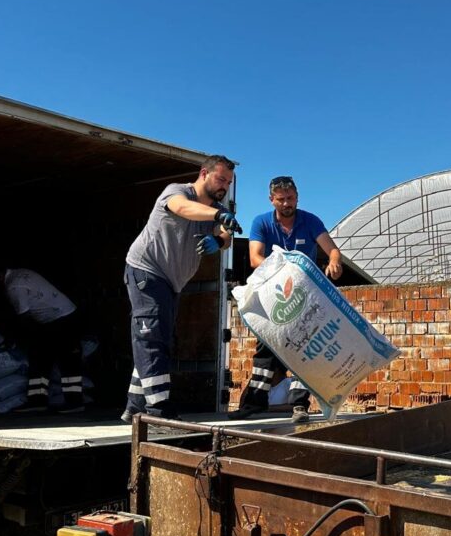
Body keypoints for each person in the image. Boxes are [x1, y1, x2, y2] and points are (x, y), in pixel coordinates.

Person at [122, 155, 238, 422]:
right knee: (151, 337)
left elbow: (226, 234)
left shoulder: (215, 208)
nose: (224, 186)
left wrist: (219, 241)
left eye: (229, 182)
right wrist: (218, 215)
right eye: (221, 179)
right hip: (146, 271)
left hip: (171, 283)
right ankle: (159, 411)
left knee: (158, 338)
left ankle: (135, 405)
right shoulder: (177, 191)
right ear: (204, 173)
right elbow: (183, 208)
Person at [230, 175, 343, 423]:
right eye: (281, 199)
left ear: (297, 198)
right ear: (272, 200)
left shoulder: (310, 221)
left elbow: (332, 250)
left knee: (307, 349)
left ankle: (299, 405)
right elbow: (255, 258)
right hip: (274, 296)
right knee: (266, 348)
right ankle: (255, 403)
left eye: (290, 198)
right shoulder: (261, 222)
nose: (286, 203)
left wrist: (334, 261)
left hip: (306, 297)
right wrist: (285, 272)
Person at [0, 267, 85, 414]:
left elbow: (24, 317)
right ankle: (38, 401)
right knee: (41, 359)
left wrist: (16, 338)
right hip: (55, 319)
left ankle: (74, 403)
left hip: (63, 319)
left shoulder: (14, 286)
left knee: (67, 360)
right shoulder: (18, 274)